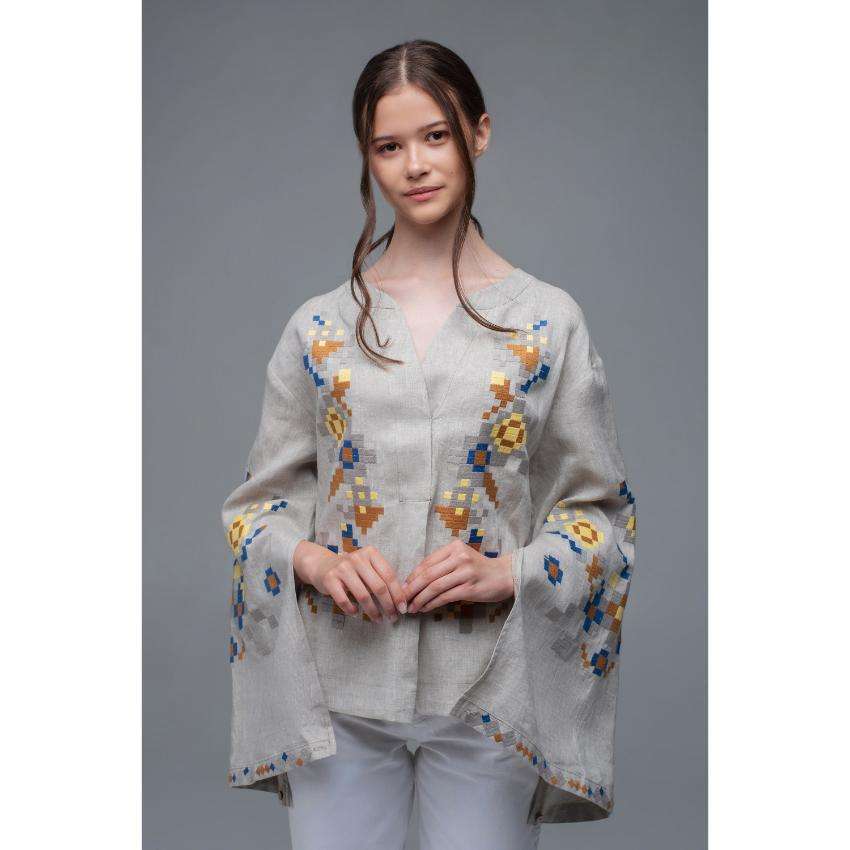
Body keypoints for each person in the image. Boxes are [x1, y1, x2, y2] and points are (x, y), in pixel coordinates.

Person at [221, 39, 638, 850]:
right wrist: (316, 563)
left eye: (436, 135)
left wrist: (509, 572)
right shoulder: (319, 327)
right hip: (338, 688)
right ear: (367, 158)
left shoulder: (547, 322)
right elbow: (256, 508)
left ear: (479, 133)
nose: (414, 164)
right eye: (389, 146)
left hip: (488, 690)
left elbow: (600, 515)